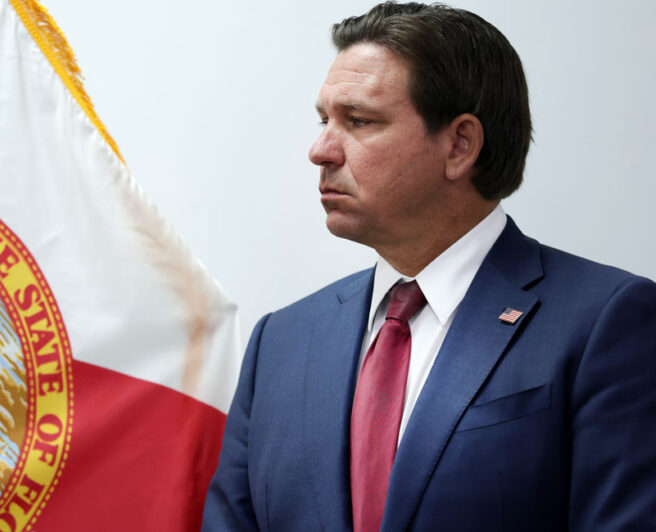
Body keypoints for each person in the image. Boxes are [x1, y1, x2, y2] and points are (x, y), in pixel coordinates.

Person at [201, 2, 656, 531]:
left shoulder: (608, 322)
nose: (320, 150)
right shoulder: (280, 343)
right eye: (324, 120)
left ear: (460, 145)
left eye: (359, 121)